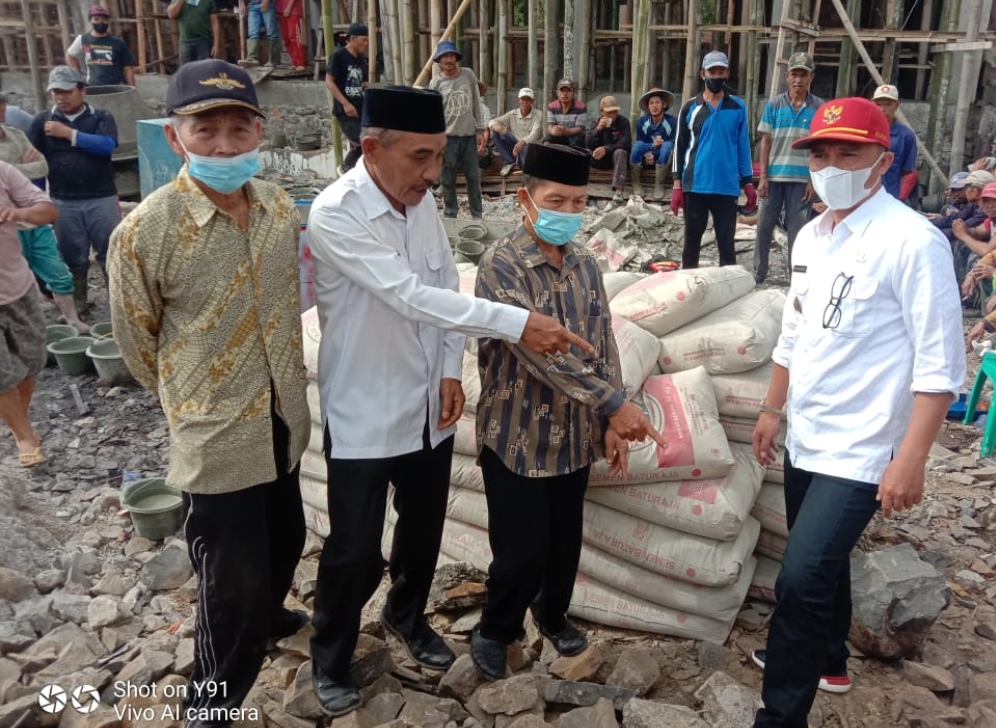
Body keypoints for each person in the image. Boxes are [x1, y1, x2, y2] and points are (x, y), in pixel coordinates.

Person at [305, 85, 600, 717]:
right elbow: (407, 295)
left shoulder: (420, 204)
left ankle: (407, 619)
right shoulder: (336, 212)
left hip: (426, 404)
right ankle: (330, 656)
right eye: (420, 157)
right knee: (354, 549)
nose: (434, 173)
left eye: (440, 155)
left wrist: (447, 370)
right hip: (363, 404)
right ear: (372, 148)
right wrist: (518, 322)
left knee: (422, 531)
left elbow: (443, 285)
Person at [750, 97, 965, 728]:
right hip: (809, 433)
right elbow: (794, 332)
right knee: (821, 565)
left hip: (866, 449)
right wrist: (771, 408)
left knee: (799, 577)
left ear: (883, 158)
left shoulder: (913, 243)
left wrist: (911, 459)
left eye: (849, 152)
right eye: (821, 153)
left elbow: (940, 368)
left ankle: (780, 715)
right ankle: (831, 657)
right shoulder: (813, 236)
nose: (832, 165)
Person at [108, 60, 311, 725]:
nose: (224, 146)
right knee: (231, 582)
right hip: (216, 435)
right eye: (206, 131)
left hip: (283, 417)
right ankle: (212, 705)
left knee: (287, 537)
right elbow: (138, 346)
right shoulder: (145, 232)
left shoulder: (280, 207)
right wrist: (191, 395)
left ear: (261, 130)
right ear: (175, 138)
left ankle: (270, 615)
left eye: (237, 128)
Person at [469, 142, 665, 681]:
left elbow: (602, 342)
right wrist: (615, 405)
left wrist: (609, 420)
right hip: (517, 432)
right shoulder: (500, 264)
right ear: (524, 199)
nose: (569, 213)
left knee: (563, 544)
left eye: (580, 203)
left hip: (574, 433)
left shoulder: (583, 263)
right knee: (518, 550)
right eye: (557, 200)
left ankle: (551, 615)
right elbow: (539, 354)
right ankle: (496, 628)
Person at [28, 66, 118, 319]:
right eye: (55, 92)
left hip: (102, 198)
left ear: (82, 90)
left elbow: (107, 146)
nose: (60, 97)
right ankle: (78, 306)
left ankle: (120, 305)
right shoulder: (41, 122)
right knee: (72, 256)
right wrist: (35, 200)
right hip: (63, 201)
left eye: (66, 91)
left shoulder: (101, 117)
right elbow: (33, 163)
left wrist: (69, 134)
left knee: (111, 253)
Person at [0, 106, 88, 333]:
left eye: (1, 110)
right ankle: (31, 330)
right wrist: (21, 168)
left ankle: (71, 319)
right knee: (18, 282)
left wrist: (13, 170)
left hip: (34, 220)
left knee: (57, 271)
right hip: (8, 230)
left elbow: (42, 166)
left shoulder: (15, 134)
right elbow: (28, 169)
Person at [671, 50, 756, 269]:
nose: (716, 76)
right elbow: (679, 147)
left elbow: (742, 145)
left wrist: (748, 182)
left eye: (721, 71)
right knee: (692, 242)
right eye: (712, 71)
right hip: (696, 185)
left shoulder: (737, 107)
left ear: (727, 73)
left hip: (726, 186)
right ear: (702, 74)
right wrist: (677, 185)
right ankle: (688, 286)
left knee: (726, 243)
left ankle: (728, 285)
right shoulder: (690, 107)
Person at [0, 161, 58, 468]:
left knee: (32, 359)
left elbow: (47, 210)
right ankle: (23, 434)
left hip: (18, 287)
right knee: (1, 374)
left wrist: (17, 213)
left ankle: (18, 419)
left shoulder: (3, 172)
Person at [754, 52, 823, 283]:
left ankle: (797, 278)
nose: (798, 79)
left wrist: (813, 181)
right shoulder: (774, 104)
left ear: (811, 77)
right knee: (763, 227)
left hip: (801, 181)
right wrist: (762, 177)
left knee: (799, 233)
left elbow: (820, 149)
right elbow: (766, 141)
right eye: (795, 74)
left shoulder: (819, 108)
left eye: (803, 74)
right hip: (773, 178)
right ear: (787, 76)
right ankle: (759, 273)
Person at [429, 40, 485, 219]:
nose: (448, 59)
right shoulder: (435, 83)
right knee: (447, 179)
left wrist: (480, 129)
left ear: (456, 58)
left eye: (451, 56)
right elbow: (433, 114)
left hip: (468, 137)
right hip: (447, 139)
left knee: (473, 178)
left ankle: (477, 215)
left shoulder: (468, 74)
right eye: (445, 56)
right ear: (439, 60)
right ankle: (450, 213)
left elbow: (476, 102)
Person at [325, 22, 368, 174]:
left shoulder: (361, 59)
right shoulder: (339, 55)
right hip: (345, 110)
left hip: (361, 108)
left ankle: (357, 173)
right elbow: (329, 81)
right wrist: (345, 103)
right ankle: (346, 168)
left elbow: (363, 83)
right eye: (364, 40)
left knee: (371, 142)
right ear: (353, 38)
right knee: (361, 142)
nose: (366, 43)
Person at [65, 5, 136, 86]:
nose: (100, 22)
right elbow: (70, 55)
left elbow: (128, 68)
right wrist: (77, 76)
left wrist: (132, 89)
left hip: (117, 87)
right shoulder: (83, 39)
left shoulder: (118, 42)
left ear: (107, 21)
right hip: (93, 87)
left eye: (104, 19)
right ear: (90, 20)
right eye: (96, 19)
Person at [871, 84, 918, 202]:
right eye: (878, 104)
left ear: (896, 106)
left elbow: (908, 172)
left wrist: (899, 199)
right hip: (863, 197)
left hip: (890, 197)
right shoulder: (864, 131)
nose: (882, 109)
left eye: (888, 104)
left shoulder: (906, 136)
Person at [962, 185, 996, 348]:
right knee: (981, 266)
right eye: (986, 201)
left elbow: (987, 250)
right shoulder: (990, 221)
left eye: (993, 201)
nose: (989, 205)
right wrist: (971, 276)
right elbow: (991, 256)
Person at [630, 87, 677, 201]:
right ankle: (636, 184)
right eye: (651, 103)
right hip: (647, 157)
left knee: (666, 146)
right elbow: (641, 142)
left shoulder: (672, 122)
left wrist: (661, 144)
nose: (654, 106)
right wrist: (648, 153)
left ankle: (659, 185)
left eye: (657, 102)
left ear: (664, 105)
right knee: (637, 146)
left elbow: (673, 143)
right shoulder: (642, 122)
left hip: (664, 158)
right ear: (648, 106)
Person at [586, 95, 631, 203]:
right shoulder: (596, 123)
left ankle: (618, 192)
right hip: (599, 160)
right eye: (609, 112)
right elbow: (588, 143)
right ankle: (582, 191)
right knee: (584, 154)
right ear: (602, 111)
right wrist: (598, 130)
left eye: (615, 112)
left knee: (621, 152)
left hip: (617, 160)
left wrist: (607, 149)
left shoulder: (623, 122)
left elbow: (626, 143)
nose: (612, 115)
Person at [489, 87, 543, 176]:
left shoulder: (539, 115)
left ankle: (519, 162)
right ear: (518, 100)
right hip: (514, 143)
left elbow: (535, 134)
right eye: (523, 99)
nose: (525, 102)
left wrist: (522, 142)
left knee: (528, 163)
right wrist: (495, 126)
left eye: (528, 99)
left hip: (529, 146)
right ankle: (508, 161)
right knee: (495, 132)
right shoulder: (512, 114)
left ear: (532, 101)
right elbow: (492, 121)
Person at [167, 0, 222, 65]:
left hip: (204, 42)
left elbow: (214, 22)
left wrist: (216, 45)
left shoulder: (208, 1)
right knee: (187, 71)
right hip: (185, 42)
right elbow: (171, 14)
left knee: (204, 70)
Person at [546, 79, 586, 148]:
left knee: (579, 138)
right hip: (559, 135)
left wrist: (566, 131)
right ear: (557, 93)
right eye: (562, 91)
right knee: (547, 139)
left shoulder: (581, 106)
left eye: (568, 91)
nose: (565, 94)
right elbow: (550, 125)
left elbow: (580, 128)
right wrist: (553, 130)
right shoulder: (551, 106)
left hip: (574, 136)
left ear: (573, 92)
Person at [241, 0, 279, 66]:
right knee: (252, 33)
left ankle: (272, 60)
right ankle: (252, 58)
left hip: (267, 3)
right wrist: (241, 3)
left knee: (271, 32)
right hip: (253, 4)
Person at [275, 0, 305, 69]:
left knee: (294, 36)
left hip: (293, 10)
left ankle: (300, 63)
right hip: (281, 9)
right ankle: (294, 62)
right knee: (286, 37)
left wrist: (289, 7)